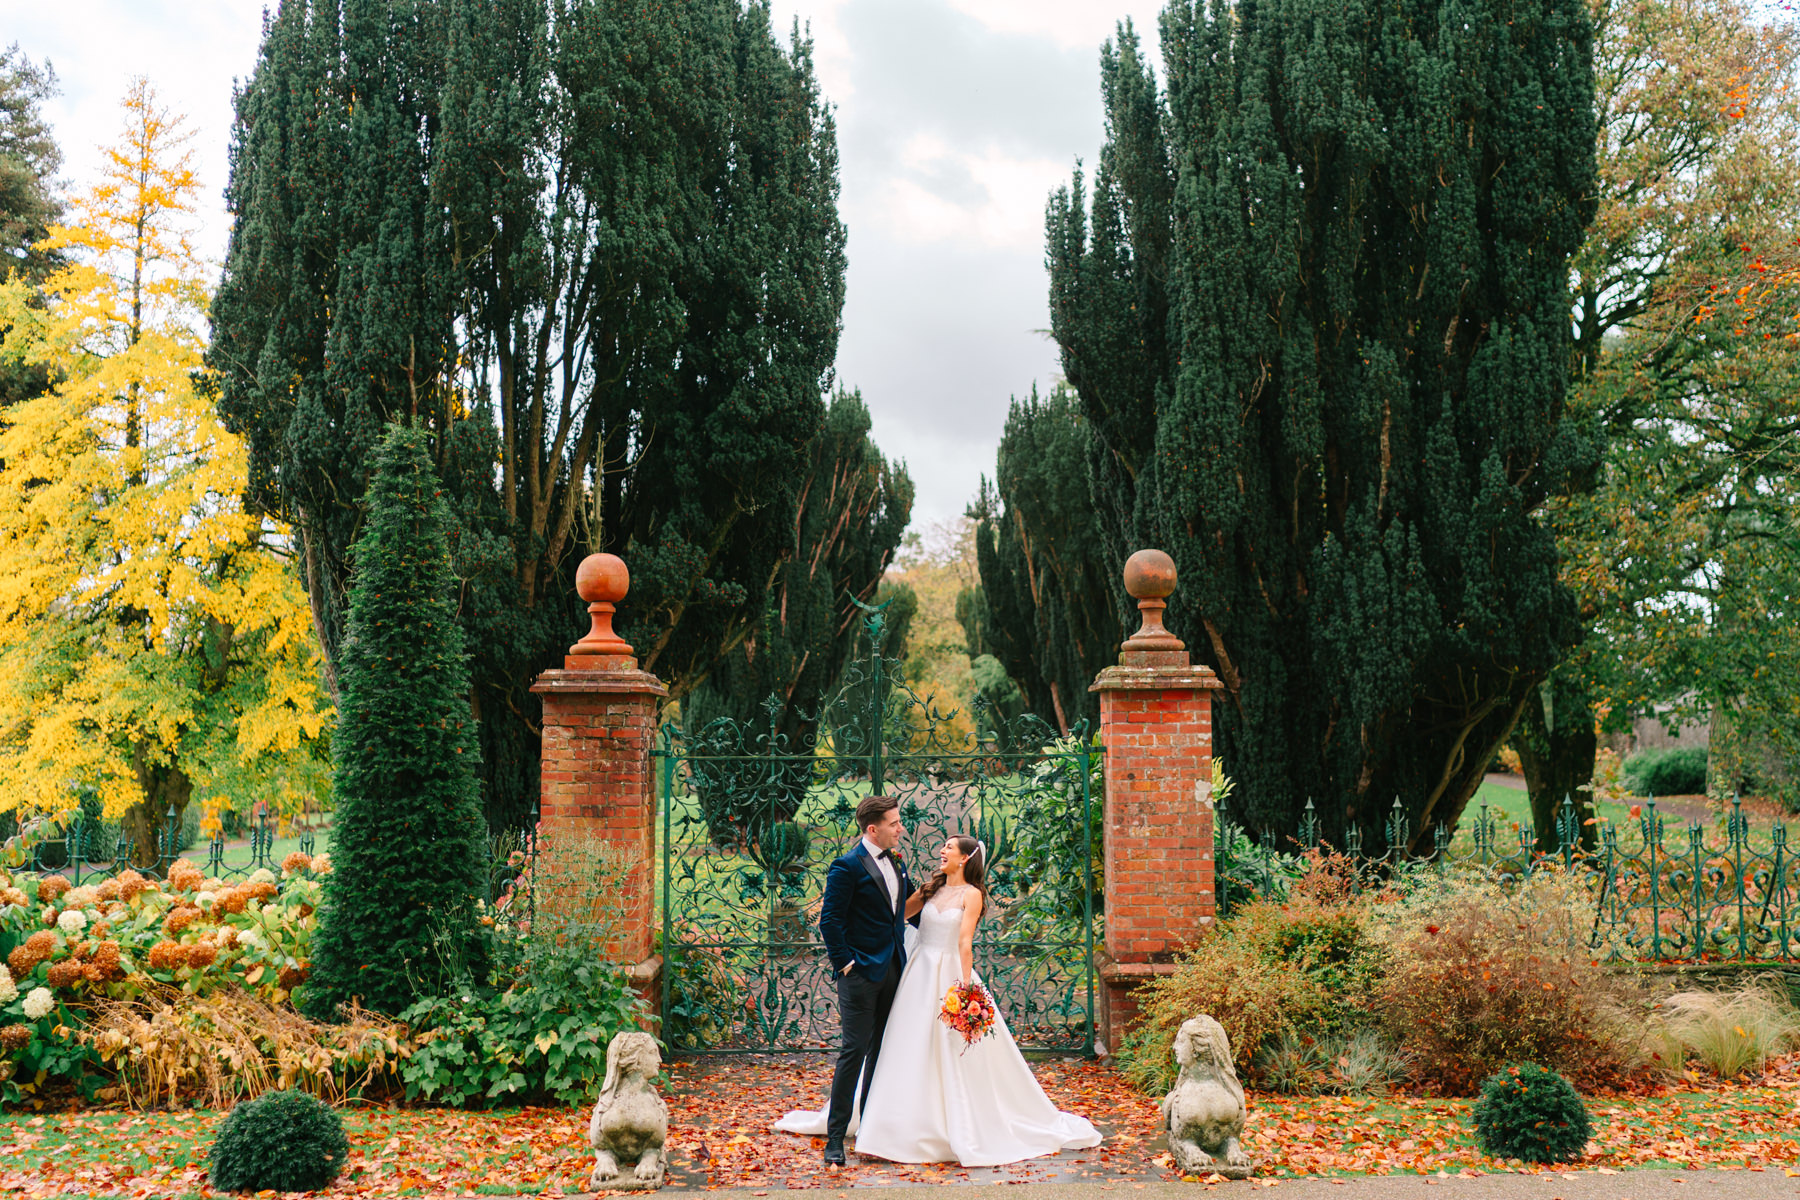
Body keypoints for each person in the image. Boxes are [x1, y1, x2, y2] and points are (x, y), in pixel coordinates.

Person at [778, 833, 1102, 1167]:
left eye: (949, 847)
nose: (942, 851)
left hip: (950, 973)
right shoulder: (931, 888)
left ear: (964, 858)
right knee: (905, 1044)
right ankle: (889, 1122)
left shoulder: (972, 895)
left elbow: (965, 942)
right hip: (917, 973)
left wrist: (965, 988)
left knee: (947, 1050)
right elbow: (897, 916)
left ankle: (946, 1123)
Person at [812, 793, 913, 1167]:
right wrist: (845, 965)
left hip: (894, 970)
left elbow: (906, 908)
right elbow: (830, 922)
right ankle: (835, 1139)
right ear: (874, 829)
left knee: (882, 1052)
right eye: (894, 823)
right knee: (853, 1052)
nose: (900, 828)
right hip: (859, 974)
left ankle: (871, 1127)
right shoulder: (847, 866)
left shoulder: (898, 862)